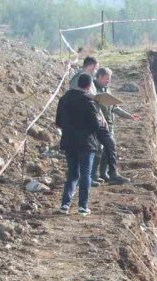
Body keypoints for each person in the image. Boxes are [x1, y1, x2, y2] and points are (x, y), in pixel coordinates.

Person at [55, 73, 101, 215]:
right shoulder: (88, 102)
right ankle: (82, 207)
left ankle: (65, 205)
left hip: (69, 141)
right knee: (85, 173)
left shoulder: (63, 99)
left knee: (72, 174)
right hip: (86, 143)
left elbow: (58, 122)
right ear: (88, 86)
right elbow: (95, 125)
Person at [91, 67, 140, 185]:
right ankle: (95, 175)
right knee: (99, 150)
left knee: (108, 150)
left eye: (109, 79)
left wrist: (129, 116)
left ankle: (104, 174)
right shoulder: (92, 90)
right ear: (100, 77)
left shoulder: (106, 90)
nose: (109, 81)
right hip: (97, 126)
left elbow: (114, 107)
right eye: (107, 79)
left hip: (108, 126)